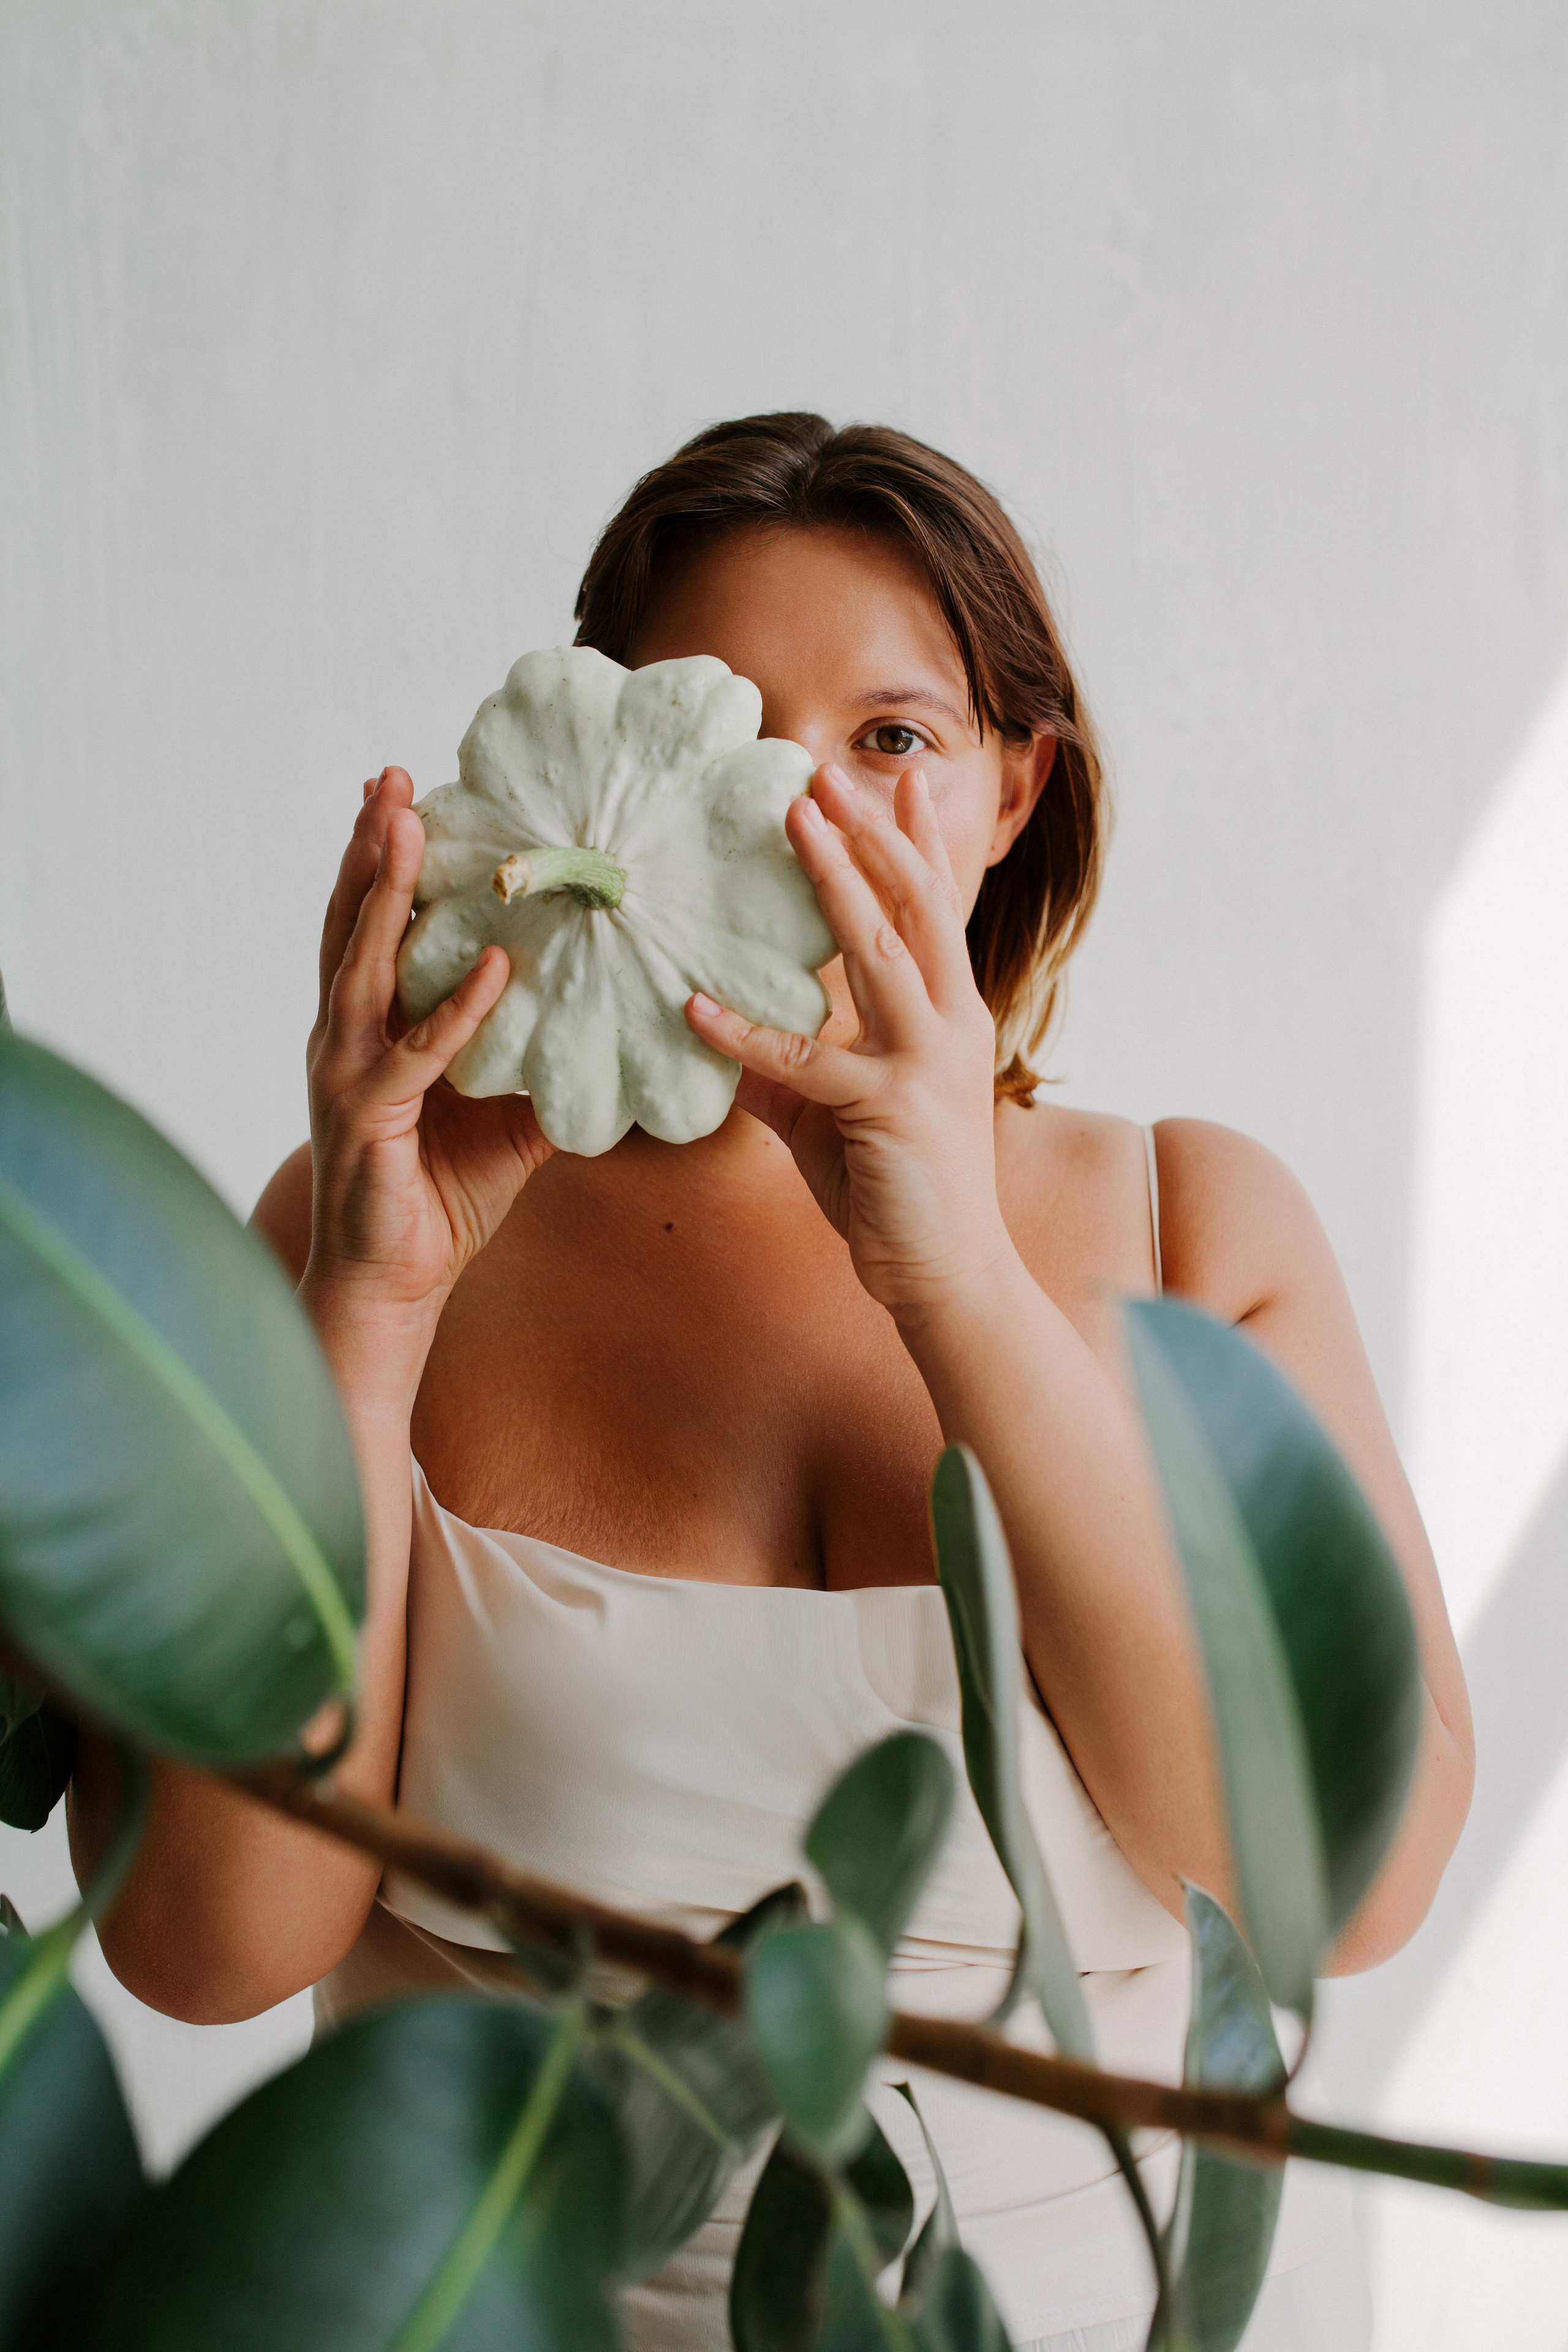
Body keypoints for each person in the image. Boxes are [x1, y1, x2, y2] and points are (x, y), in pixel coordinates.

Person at [72, 413, 1473, 2350]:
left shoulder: (1196, 1230)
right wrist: (372, 1313)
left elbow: (1348, 1887)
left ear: (1014, 791)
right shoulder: (368, 1223)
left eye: (891, 738)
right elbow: (203, 1952)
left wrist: (957, 1276)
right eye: (721, 725)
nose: (792, 815)